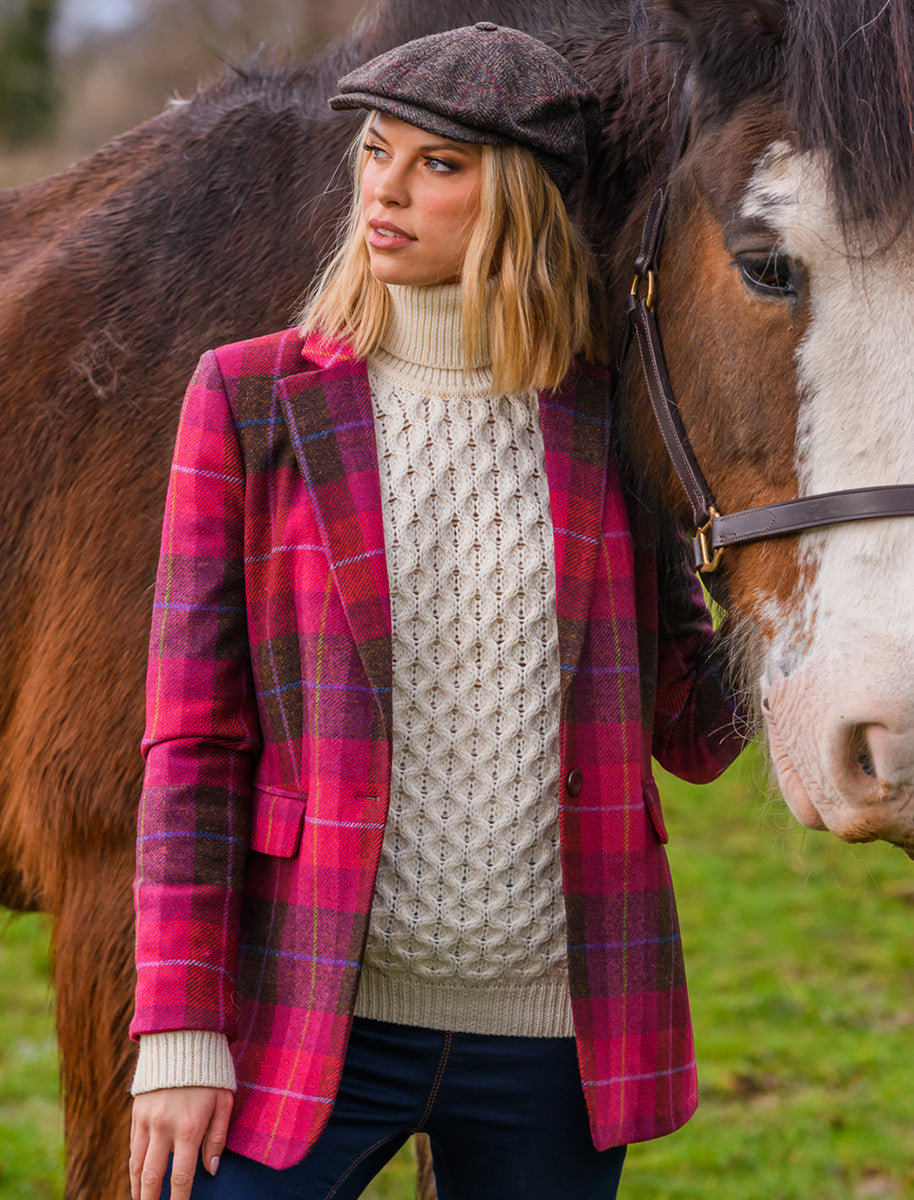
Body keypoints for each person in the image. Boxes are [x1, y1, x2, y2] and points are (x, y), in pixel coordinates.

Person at [128, 22, 744, 1200]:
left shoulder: (606, 419)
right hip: (304, 1021)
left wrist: (797, 588)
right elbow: (192, 745)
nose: (385, 190)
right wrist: (177, 1027)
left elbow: (695, 735)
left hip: (554, 1044)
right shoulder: (250, 403)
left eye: (437, 165)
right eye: (375, 151)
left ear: (519, 197)